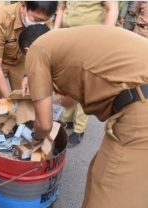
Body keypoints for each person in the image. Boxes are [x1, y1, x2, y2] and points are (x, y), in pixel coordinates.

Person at [20, 24, 148, 208]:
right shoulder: (68, 42)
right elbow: (70, 100)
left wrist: (36, 138)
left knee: (107, 192)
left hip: (140, 109)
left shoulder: (37, 49)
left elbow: (44, 125)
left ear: (27, 50)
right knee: (107, 175)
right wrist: (50, 101)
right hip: (139, 96)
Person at [53, 1, 118, 148]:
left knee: (83, 86)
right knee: (67, 83)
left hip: (90, 40)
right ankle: (68, 119)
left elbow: (112, 8)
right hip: (68, 38)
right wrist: (55, 30)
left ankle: (79, 129)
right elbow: (61, 7)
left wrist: (103, 39)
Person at [0, 1, 58, 99]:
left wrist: (27, 75)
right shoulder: (1, 20)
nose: (40, 23)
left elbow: (39, 54)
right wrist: (9, 99)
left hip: (21, 60)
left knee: (25, 96)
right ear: (23, 6)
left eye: (43, 20)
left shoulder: (43, 16)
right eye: (36, 19)